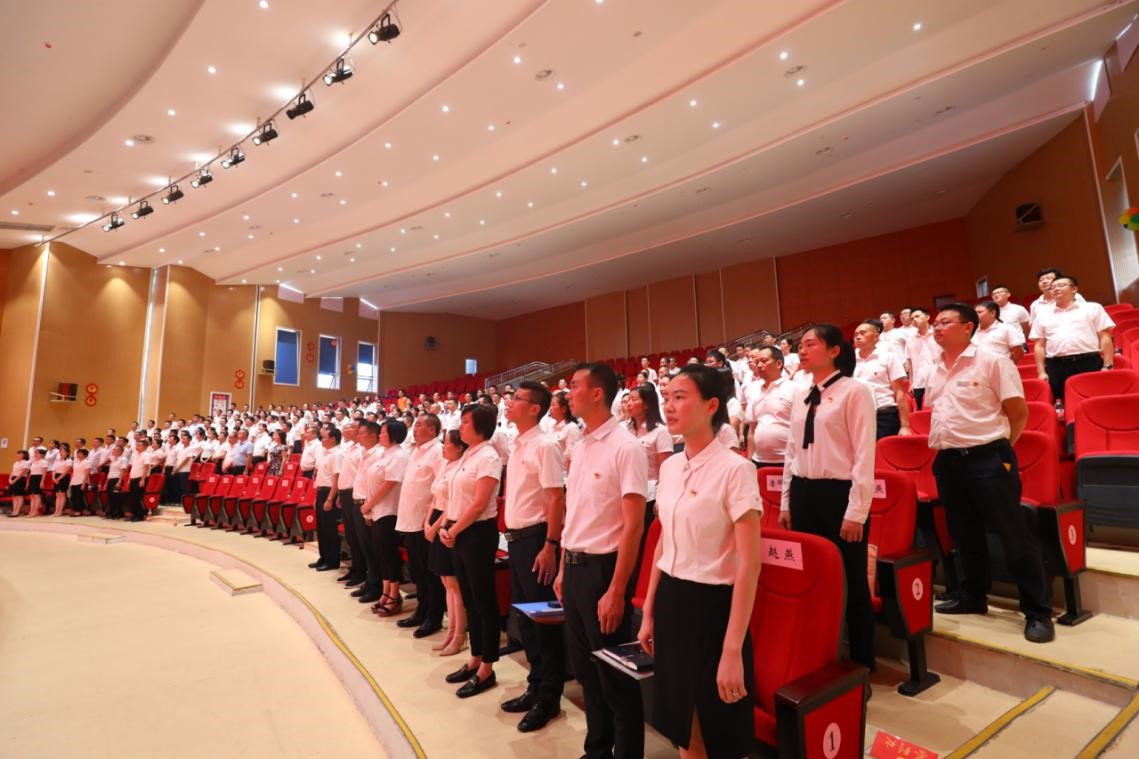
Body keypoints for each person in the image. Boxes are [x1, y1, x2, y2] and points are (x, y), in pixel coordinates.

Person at [638, 365, 764, 759]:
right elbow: (663, 545)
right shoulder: (670, 467)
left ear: (711, 406)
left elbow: (749, 564)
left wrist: (732, 649)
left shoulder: (736, 469)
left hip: (714, 608)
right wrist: (649, 611)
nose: (669, 406)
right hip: (672, 600)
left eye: (681, 397)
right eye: (667, 397)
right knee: (682, 722)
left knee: (721, 728)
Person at [926, 303, 1055, 643]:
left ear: (968, 327)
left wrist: (1000, 450)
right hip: (948, 460)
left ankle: (1038, 611)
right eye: (935, 322)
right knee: (964, 533)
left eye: (945, 322)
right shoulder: (934, 366)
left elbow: (1018, 412)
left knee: (1013, 533)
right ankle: (973, 596)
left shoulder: (992, 360)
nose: (937, 327)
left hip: (988, 457)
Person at [556, 362, 647, 759]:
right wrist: (563, 569)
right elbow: (575, 513)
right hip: (575, 568)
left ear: (597, 393)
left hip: (604, 571)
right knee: (586, 672)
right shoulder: (580, 445)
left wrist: (616, 589)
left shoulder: (626, 447)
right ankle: (597, 750)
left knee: (615, 677)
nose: (567, 392)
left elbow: (634, 526)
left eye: (574, 385)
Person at [779, 324, 877, 672]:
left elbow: (864, 455)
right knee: (811, 579)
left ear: (835, 350)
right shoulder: (802, 394)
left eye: (811, 344)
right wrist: (786, 502)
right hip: (804, 492)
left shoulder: (855, 391)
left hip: (839, 496)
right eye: (800, 345)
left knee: (852, 581)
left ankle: (862, 664)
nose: (802, 350)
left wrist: (857, 511)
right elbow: (791, 452)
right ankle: (818, 659)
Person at [500, 381, 566, 732]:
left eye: (517, 399)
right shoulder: (518, 444)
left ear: (534, 408)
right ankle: (535, 686)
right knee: (526, 620)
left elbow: (556, 498)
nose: (509, 403)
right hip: (517, 541)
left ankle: (549, 698)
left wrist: (551, 544)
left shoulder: (546, 446)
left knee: (543, 623)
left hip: (538, 540)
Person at [440, 403, 504, 698]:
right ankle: (475, 658)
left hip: (477, 533)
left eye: (465, 422)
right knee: (470, 600)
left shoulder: (489, 457)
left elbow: (479, 504)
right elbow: (456, 498)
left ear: (479, 426)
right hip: (459, 531)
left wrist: (453, 530)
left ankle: (487, 668)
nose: (460, 426)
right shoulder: (468, 455)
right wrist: (448, 525)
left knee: (483, 602)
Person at [394, 413, 447, 638]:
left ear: (432, 430)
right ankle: (422, 610)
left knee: (430, 573)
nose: (414, 429)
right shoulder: (416, 451)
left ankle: (434, 617)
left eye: (418, 425)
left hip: (426, 521)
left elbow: (440, 488)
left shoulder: (438, 451)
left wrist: (429, 519)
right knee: (417, 571)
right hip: (410, 519)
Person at [1030, 275, 1115, 403]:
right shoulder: (1042, 315)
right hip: (1056, 365)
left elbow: (1105, 336)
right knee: (1064, 403)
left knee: (1095, 400)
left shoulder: (1092, 308)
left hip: (1088, 361)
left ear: (1074, 289)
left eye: (1061, 285)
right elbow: (1039, 345)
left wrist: (1108, 365)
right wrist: (1041, 372)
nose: (1056, 289)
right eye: (1052, 287)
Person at [426, 430, 469, 656]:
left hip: (447, 522)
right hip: (436, 520)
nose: (443, 447)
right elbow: (435, 497)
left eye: (447, 443)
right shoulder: (445, 465)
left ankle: (460, 634)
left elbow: (452, 502)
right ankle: (450, 631)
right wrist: (427, 522)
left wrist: (435, 527)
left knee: (454, 583)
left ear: (460, 447)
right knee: (445, 581)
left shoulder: (461, 467)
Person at [364, 419, 409, 617]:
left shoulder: (399, 455)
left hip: (389, 510)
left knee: (389, 554)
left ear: (393, 434)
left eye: (383, 432)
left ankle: (394, 595)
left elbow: (389, 483)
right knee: (381, 553)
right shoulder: (384, 454)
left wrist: (369, 503)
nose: (380, 435)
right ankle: (385, 591)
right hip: (378, 510)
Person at [853, 319, 911, 438]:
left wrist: (905, 426)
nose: (858, 337)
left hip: (884, 414)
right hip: (858, 415)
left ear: (876, 337)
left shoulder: (888, 357)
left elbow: (899, 392)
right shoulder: (849, 360)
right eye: (855, 334)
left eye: (863, 333)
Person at [626, 384, 673, 532]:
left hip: (649, 494)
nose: (628, 403)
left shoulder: (660, 431)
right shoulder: (625, 429)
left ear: (646, 404)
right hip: (626, 492)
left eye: (633, 399)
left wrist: (661, 497)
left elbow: (666, 469)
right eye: (628, 400)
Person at [349, 421, 385, 604]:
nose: (358, 435)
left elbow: (377, 483)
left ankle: (377, 586)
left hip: (367, 504)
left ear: (373, 435)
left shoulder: (379, 454)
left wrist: (369, 506)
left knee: (372, 548)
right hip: (359, 503)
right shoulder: (364, 452)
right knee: (364, 547)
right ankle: (370, 581)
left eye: (361, 433)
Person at [745, 346, 795, 468]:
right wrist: (750, 460)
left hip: (789, 460)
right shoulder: (754, 390)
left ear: (778, 364)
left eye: (764, 361)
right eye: (757, 362)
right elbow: (752, 429)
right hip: (759, 460)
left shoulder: (794, 388)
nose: (759, 365)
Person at [310, 426, 343, 572]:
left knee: (330, 528)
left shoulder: (337, 454)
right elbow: (321, 476)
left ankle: (332, 560)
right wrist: (317, 497)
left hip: (330, 492)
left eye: (324, 437)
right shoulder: (324, 453)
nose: (321, 440)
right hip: (321, 491)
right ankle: (323, 557)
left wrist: (330, 499)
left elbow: (337, 479)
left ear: (333, 439)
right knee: (321, 528)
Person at [905, 307, 940, 411]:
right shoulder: (910, 340)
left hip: (937, 378)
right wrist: (911, 383)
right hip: (918, 382)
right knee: (921, 412)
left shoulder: (938, 335)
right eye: (912, 318)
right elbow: (910, 363)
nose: (914, 320)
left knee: (939, 410)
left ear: (927, 317)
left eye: (917, 316)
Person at [548, 390, 582, 470]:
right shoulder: (552, 425)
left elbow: (573, 457)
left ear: (563, 409)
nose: (550, 408)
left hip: (564, 474)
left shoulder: (571, 428)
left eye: (553, 405)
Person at [127, 439, 152, 522]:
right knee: (132, 498)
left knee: (138, 498)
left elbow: (146, 467)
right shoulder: (136, 455)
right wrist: (129, 479)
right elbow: (133, 468)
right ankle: (134, 515)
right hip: (133, 479)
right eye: (136, 445)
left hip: (140, 479)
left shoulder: (146, 455)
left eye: (139, 445)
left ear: (145, 446)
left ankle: (139, 516)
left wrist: (142, 479)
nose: (137, 447)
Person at [6, 450, 30, 517]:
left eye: (20, 454)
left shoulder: (26, 463)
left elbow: (22, 473)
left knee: (19, 495)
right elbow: (13, 471)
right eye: (17, 454)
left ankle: (17, 511)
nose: (18, 455)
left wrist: (15, 480)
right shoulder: (16, 463)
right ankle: (14, 511)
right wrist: (10, 479)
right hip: (13, 478)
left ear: (24, 455)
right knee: (14, 496)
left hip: (20, 479)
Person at [69, 448, 91, 516]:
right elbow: (73, 472)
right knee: (73, 497)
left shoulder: (87, 462)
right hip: (74, 481)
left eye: (80, 454)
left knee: (80, 497)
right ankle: (75, 509)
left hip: (82, 481)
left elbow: (87, 474)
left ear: (85, 455)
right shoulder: (75, 462)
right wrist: (71, 482)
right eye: (78, 453)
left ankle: (79, 511)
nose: (78, 455)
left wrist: (84, 483)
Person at [26, 447, 47, 517]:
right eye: (35, 453)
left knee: (37, 495)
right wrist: (28, 482)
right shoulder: (33, 462)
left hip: (38, 478)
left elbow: (44, 473)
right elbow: (30, 473)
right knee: (31, 496)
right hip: (32, 478)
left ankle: (35, 511)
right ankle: (31, 512)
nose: (35, 454)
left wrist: (42, 481)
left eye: (37, 453)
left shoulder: (44, 462)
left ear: (42, 455)